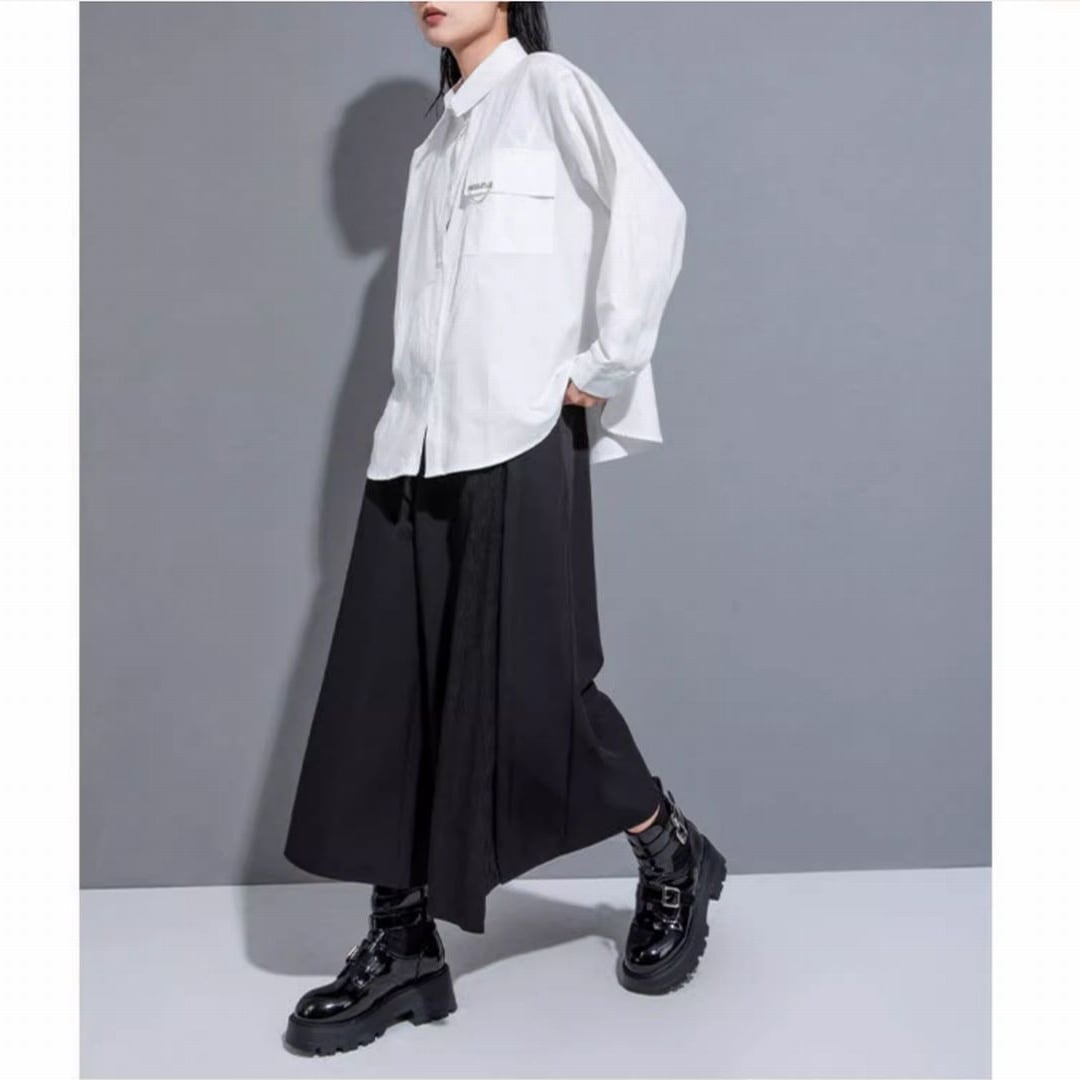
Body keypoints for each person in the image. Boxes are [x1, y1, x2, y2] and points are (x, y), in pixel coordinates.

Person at [282, 1, 727, 1055]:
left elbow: (651, 211)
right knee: (390, 690)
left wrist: (604, 366)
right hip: (415, 443)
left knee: (533, 687)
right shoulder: (437, 141)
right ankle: (403, 943)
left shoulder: (548, 90)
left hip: (515, 437)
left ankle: (670, 849)